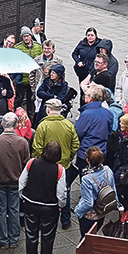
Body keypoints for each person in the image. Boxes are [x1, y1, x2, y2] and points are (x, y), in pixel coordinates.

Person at [0, 113, 32, 249]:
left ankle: (3, 239)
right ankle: (14, 238)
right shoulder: (23, 142)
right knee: (14, 210)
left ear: (2, 124)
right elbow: (26, 164)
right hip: (16, 182)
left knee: (0, 210)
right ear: (16, 125)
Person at [33, 98, 81, 231]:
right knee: (64, 192)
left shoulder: (43, 126)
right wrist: (68, 158)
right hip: (64, 166)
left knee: (44, 191)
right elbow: (76, 144)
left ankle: (45, 218)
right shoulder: (68, 125)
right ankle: (65, 220)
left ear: (48, 110)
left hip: (46, 165)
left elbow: (37, 147)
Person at [19, 140, 66, 254]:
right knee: (48, 236)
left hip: (31, 204)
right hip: (50, 207)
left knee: (31, 234)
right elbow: (61, 192)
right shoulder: (59, 170)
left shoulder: (32, 163)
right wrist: (61, 206)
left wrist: (23, 196)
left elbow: (22, 182)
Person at [74, 146, 116, 238]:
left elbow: (88, 202)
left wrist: (77, 211)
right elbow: (113, 189)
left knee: (84, 239)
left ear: (88, 160)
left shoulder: (87, 179)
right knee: (93, 236)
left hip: (90, 215)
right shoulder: (107, 170)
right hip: (102, 211)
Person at [14, 26, 43, 110]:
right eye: (24, 36)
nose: (26, 38)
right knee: (19, 99)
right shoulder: (18, 47)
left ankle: (31, 116)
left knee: (32, 99)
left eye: (27, 36)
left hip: (33, 79)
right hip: (23, 78)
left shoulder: (38, 46)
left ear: (31, 36)